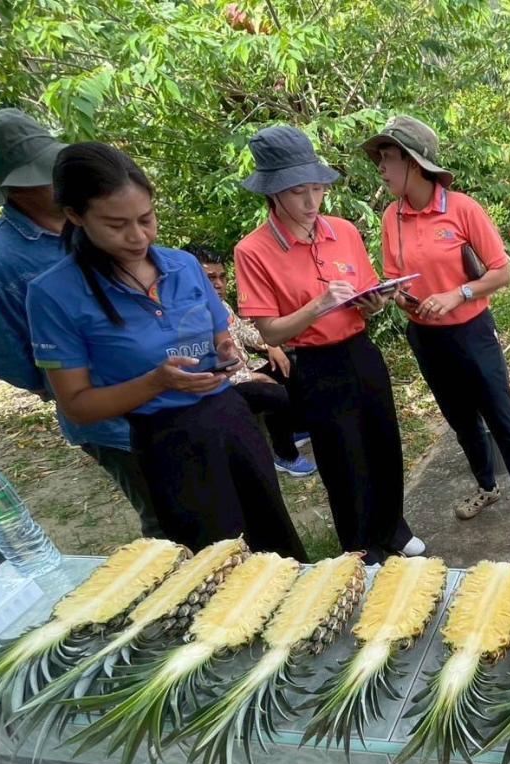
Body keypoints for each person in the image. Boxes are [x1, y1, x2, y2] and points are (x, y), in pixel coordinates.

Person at [25, 143, 306, 560]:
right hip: (166, 440)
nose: (138, 236)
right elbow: (77, 406)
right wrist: (157, 381)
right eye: (116, 225)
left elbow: (220, 337)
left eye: (147, 219)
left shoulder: (183, 266)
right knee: (218, 559)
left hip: (229, 418)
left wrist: (226, 354)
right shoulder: (54, 294)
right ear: (75, 217)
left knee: (275, 539)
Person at [0, 109, 161, 537]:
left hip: (175, 395)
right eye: (39, 174)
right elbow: (3, 358)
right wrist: (73, 382)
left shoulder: (93, 218)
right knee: (167, 516)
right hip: (113, 421)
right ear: (11, 187)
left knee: (213, 500)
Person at [363, 115, 510, 531]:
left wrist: (458, 293)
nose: (380, 168)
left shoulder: (461, 208)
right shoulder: (390, 218)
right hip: (426, 337)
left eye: (387, 158)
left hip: (472, 333)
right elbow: (394, 277)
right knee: (460, 418)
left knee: (502, 416)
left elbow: (500, 271)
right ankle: (486, 486)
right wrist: (397, 296)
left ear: (414, 164)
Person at [233, 126, 423, 564]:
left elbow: (366, 295)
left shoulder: (344, 232)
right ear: (273, 193)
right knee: (343, 458)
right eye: (298, 192)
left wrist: (374, 304)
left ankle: (393, 526)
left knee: (382, 442)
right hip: (315, 364)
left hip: (360, 352)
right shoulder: (254, 251)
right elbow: (269, 333)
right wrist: (316, 306)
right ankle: (361, 546)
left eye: (317, 189)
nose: (311, 202)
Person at [186, 244, 315, 478]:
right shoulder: (190, 319)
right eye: (210, 278)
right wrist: (250, 376)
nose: (218, 284)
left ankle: (293, 429)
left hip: (245, 369)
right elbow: (207, 367)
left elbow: (245, 333)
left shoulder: (222, 307)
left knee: (292, 362)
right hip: (223, 385)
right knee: (273, 393)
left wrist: (273, 343)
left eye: (222, 277)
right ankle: (285, 456)